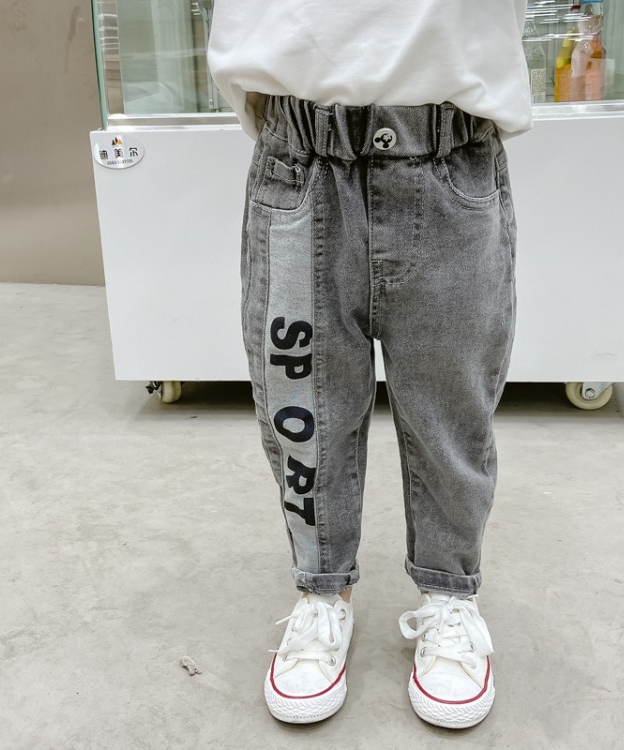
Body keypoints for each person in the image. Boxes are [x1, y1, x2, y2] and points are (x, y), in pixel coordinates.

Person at [208, 0, 532, 729]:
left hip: (449, 154)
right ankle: (323, 591)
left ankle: (449, 594)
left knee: (451, 408)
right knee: (305, 409)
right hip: (301, 157)